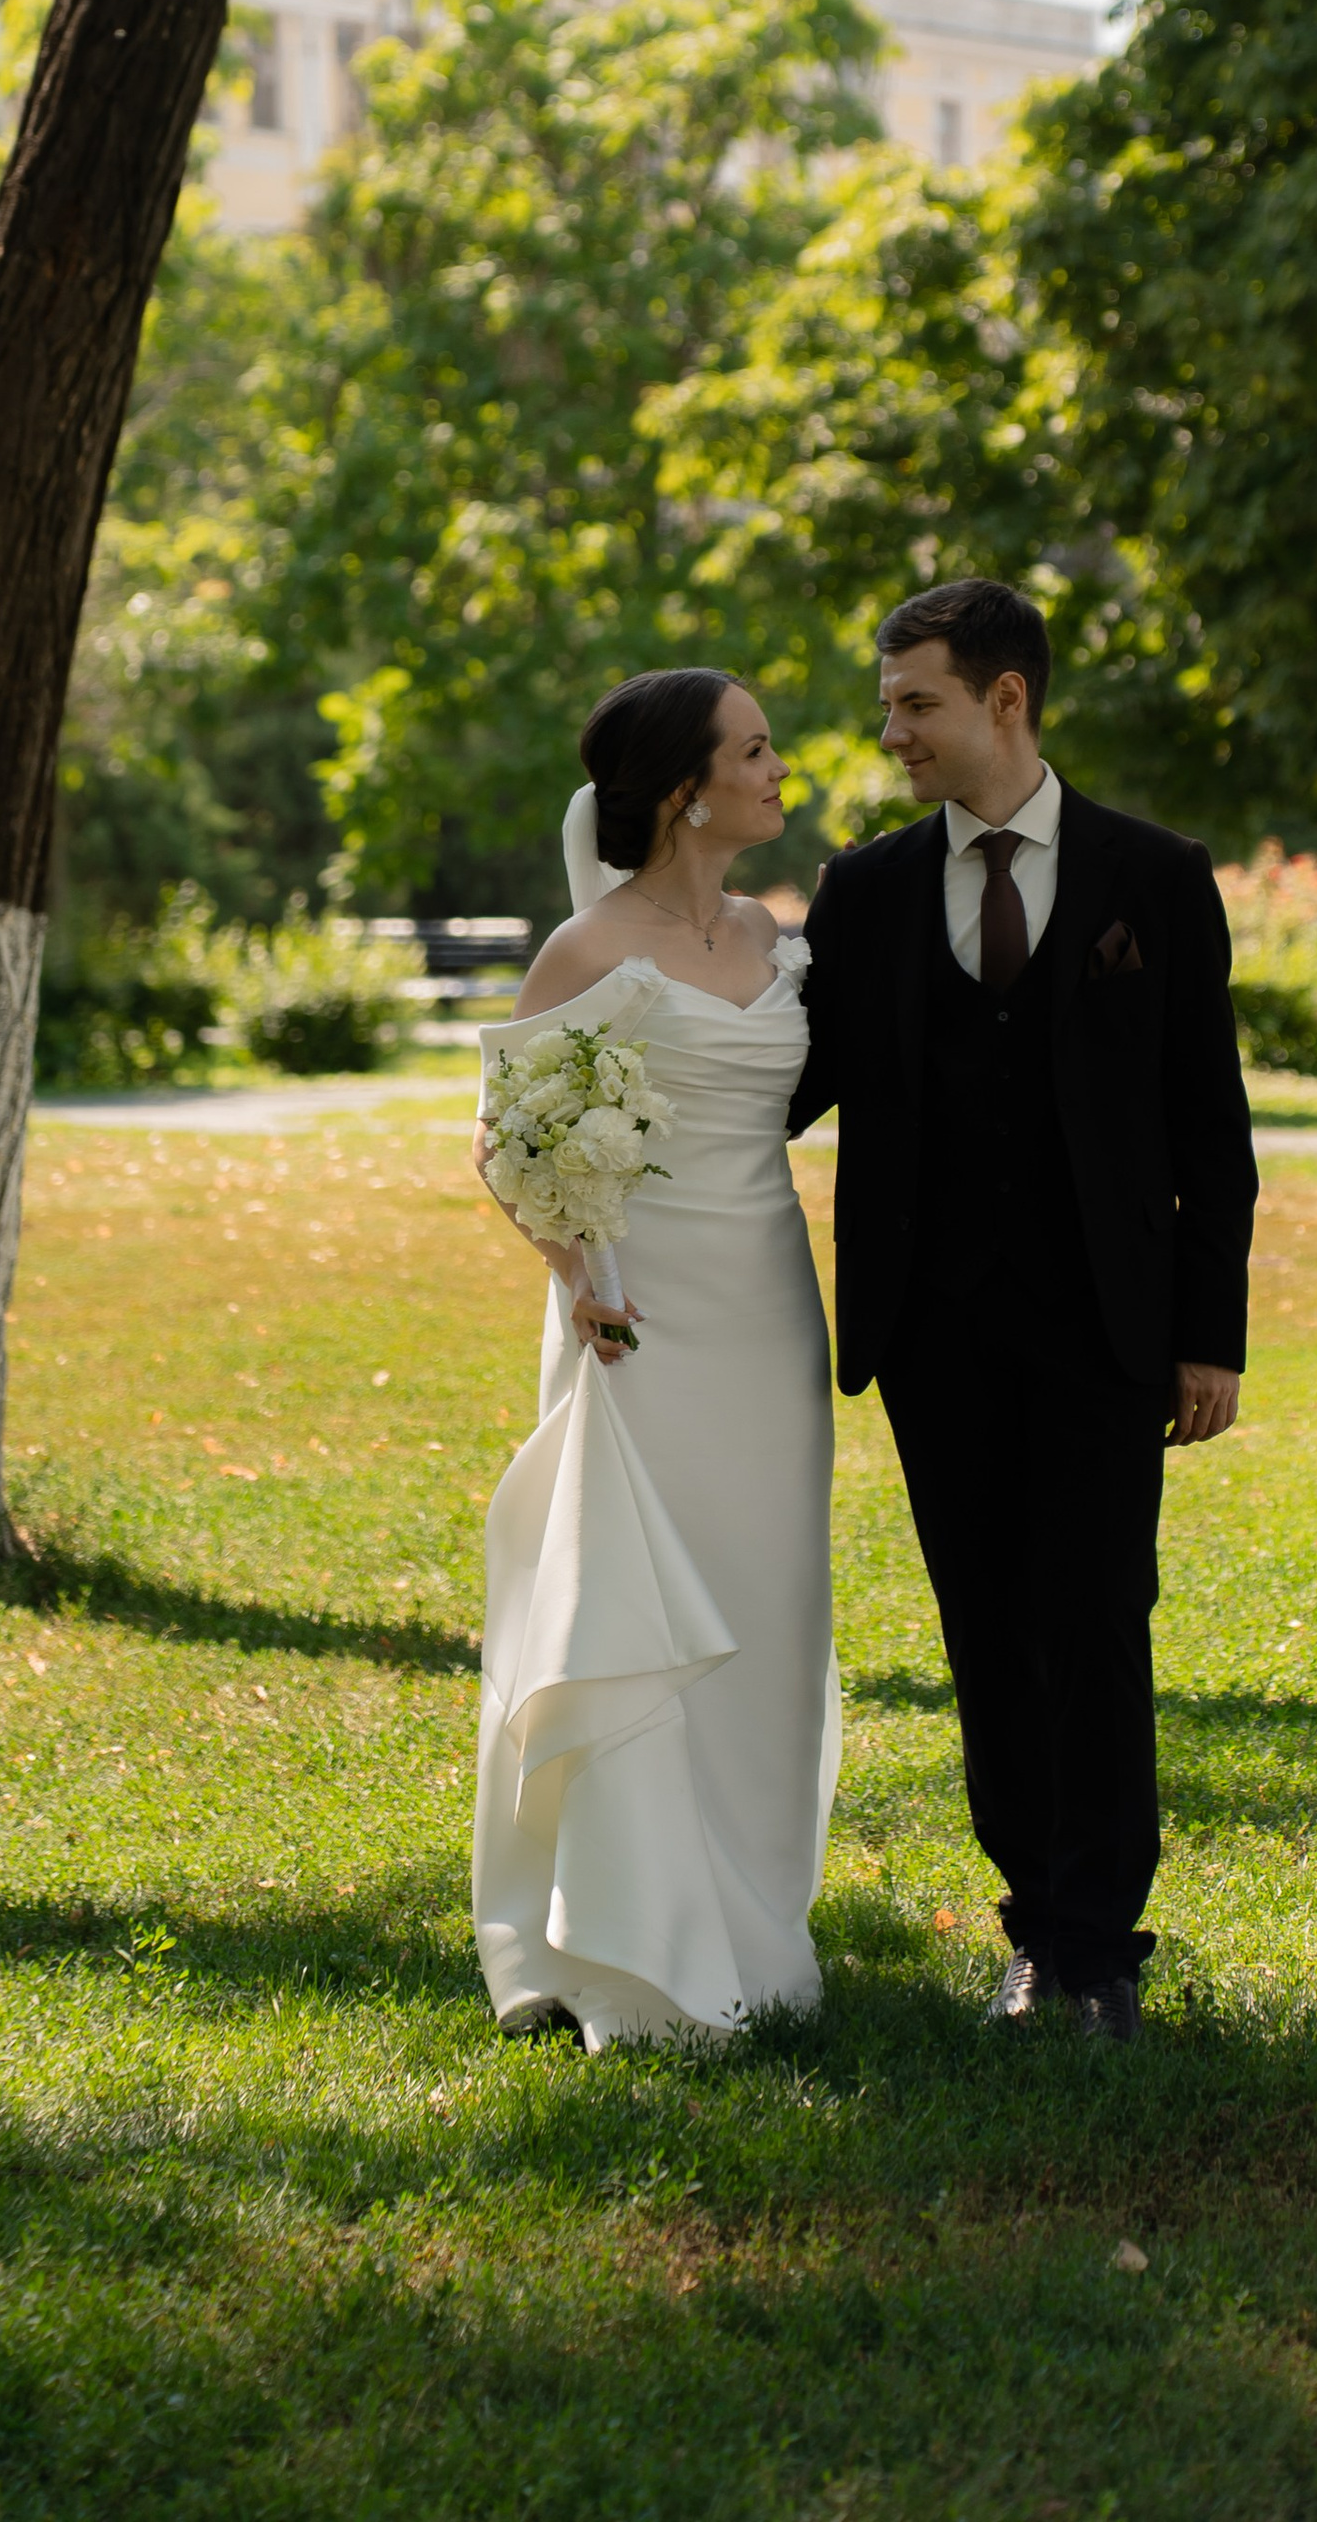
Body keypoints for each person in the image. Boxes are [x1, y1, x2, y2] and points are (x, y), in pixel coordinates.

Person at [790, 578, 1256, 2042]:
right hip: (933, 1330)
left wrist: (1209, 1335)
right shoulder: (862, 892)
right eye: (887, 706)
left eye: (917, 702)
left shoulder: (1155, 878)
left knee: (1100, 1617)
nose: (893, 733)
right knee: (987, 1625)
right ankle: (1033, 1934)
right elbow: (779, 1089)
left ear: (1007, 699)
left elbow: (1208, 1130)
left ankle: (1102, 1946)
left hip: (1107, 1330)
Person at [468, 668, 838, 2050]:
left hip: (771, 1322)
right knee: (641, 1610)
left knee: (767, 1613)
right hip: (646, 1327)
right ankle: (635, 1940)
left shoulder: (784, 940)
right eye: (754, 750)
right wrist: (580, 1276)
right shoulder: (589, 950)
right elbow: (508, 1144)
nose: (777, 768)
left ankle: (755, 1920)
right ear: (688, 787)